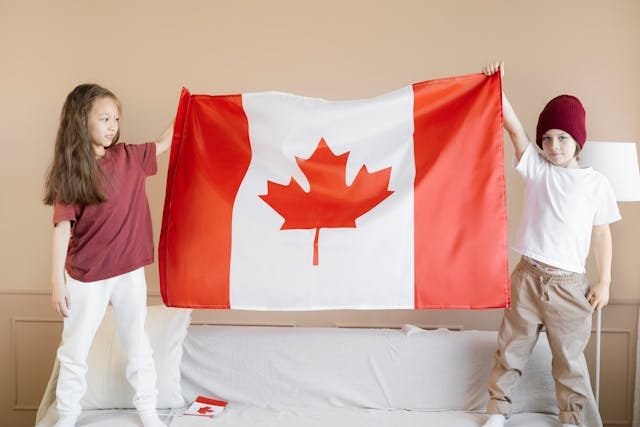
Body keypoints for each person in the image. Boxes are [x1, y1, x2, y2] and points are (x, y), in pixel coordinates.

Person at [480, 62, 621, 427]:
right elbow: (512, 127)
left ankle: (573, 421)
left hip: (570, 287)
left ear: (578, 142)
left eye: (561, 138)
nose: (553, 145)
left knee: (569, 364)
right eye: (546, 138)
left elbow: (602, 234)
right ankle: (498, 411)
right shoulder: (537, 169)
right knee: (511, 351)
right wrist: (498, 86)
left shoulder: (596, 184)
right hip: (527, 276)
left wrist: (604, 281)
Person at [43, 83, 174, 427]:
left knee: (137, 345)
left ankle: (147, 409)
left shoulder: (129, 157)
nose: (113, 125)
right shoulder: (73, 171)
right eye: (104, 118)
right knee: (74, 350)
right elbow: (61, 227)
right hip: (86, 276)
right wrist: (57, 280)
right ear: (81, 121)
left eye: (116, 118)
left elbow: (163, 143)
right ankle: (67, 416)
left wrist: (190, 110)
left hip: (128, 272)